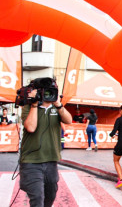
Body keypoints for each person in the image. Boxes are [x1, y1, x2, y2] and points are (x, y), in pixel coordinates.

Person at [19, 79, 72, 207]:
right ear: (40, 92)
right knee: (37, 197)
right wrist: (34, 104)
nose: (51, 94)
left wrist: (59, 105)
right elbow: (31, 127)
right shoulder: (29, 107)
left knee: (51, 195)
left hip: (51, 161)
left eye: (53, 91)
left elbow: (69, 120)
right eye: (47, 91)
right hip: (31, 162)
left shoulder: (57, 107)